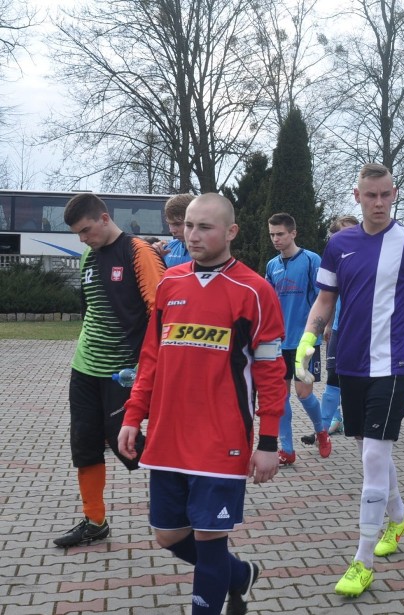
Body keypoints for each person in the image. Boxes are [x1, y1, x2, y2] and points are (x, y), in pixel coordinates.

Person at [117, 193, 286, 615]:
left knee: (210, 538)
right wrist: (134, 416)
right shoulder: (170, 283)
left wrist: (268, 441)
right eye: (188, 225)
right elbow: (151, 358)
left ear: (231, 232)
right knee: (167, 534)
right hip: (168, 436)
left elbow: (270, 373)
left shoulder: (255, 290)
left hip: (220, 440)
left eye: (204, 227)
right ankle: (238, 575)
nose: (192, 235)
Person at [294, 163, 404, 597]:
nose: (378, 203)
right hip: (348, 363)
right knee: (366, 448)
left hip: (393, 367)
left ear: (394, 193)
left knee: (373, 460)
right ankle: (399, 517)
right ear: (357, 195)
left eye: (385, 195)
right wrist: (307, 339)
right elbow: (325, 299)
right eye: (370, 195)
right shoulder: (338, 244)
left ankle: (361, 562)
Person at [53, 193, 165, 548]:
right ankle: (94, 521)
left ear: (104, 218)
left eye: (86, 230)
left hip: (124, 371)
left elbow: (161, 312)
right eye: (78, 234)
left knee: (125, 443)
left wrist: (149, 368)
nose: (83, 239)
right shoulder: (89, 255)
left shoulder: (138, 252)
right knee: (84, 445)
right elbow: (91, 311)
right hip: (84, 369)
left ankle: (184, 493)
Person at [265, 212, 329, 463]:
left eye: (280, 234)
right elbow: (268, 302)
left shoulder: (312, 260)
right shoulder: (272, 265)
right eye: (272, 234)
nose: (276, 239)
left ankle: (321, 430)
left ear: (293, 233)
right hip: (278, 343)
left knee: (304, 395)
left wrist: (321, 328)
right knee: (280, 398)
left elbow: (324, 299)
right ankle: (287, 450)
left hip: (305, 342)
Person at [317, 215, 360, 436]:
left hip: (364, 333)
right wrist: (326, 325)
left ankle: (355, 420)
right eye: (342, 233)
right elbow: (329, 297)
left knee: (355, 380)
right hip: (338, 329)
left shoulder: (370, 258)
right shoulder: (336, 259)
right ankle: (324, 427)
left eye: (352, 232)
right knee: (333, 376)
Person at [156, 193, 194, 268]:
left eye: (177, 224)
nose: (172, 230)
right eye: (169, 224)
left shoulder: (213, 251)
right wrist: (153, 257)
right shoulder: (166, 248)